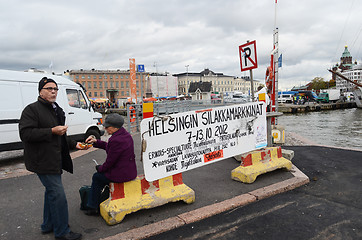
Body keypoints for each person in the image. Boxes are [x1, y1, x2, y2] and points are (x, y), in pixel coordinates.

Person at [19, 77, 83, 240]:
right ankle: (62, 232)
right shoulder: (31, 110)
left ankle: (47, 225)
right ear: (41, 91)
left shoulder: (56, 109)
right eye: (49, 88)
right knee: (58, 195)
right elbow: (25, 134)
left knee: (51, 193)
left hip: (55, 159)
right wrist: (51, 131)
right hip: (42, 160)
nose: (53, 91)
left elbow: (61, 136)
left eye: (55, 88)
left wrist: (76, 144)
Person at [84, 113, 137, 215]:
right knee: (100, 176)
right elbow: (110, 148)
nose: (105, 128)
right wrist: (96, 141)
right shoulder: (126, 135)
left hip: (121, 175)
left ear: (113, 128)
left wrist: (99, 168)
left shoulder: (115, 140)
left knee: (97, 177)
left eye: (107, 127)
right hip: (130, 171)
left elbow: (110, 163)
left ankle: (92, 207)